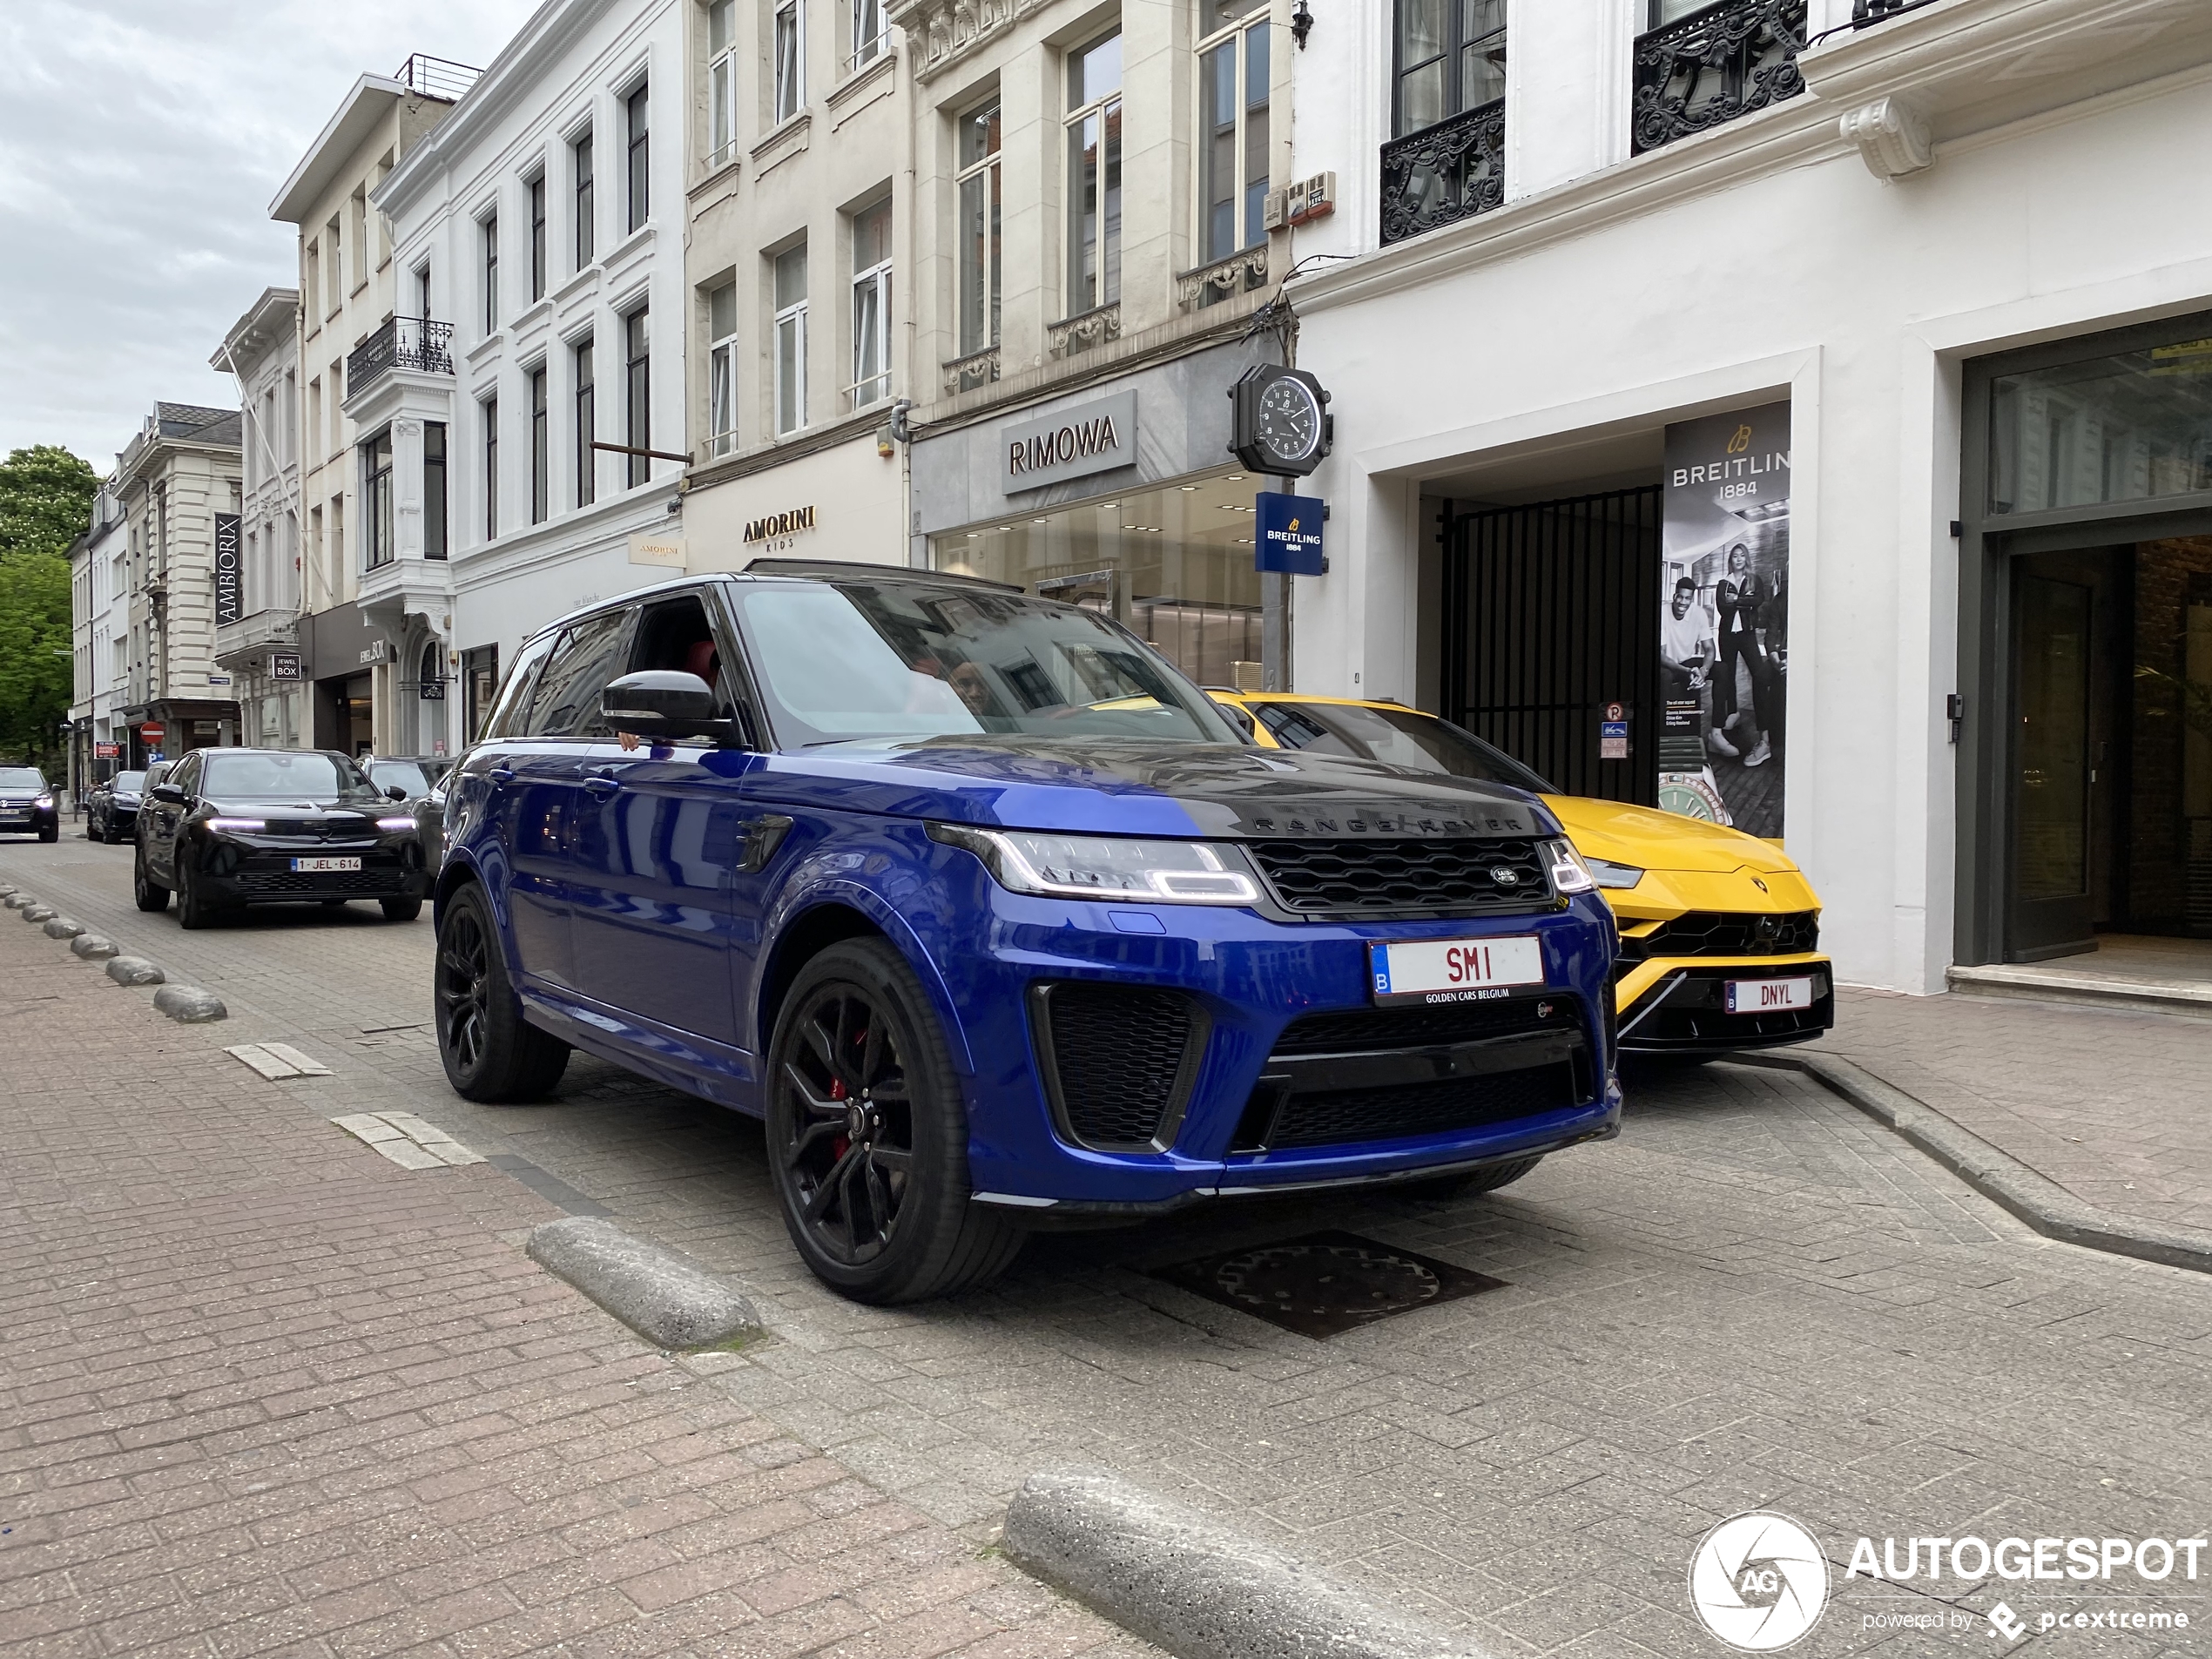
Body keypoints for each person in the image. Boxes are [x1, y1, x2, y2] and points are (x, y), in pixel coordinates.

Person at [1711, 543, 1768, 765]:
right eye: (1735, 556)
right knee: (1728, 675)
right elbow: (1722, 608)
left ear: (1746, 558)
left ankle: (1764, 728)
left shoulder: (1753, 579)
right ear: (1730, 560)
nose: (1738, 559)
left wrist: (1737, 601)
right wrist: (1744, 602)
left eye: (1741, 555)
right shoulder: (1723, 583)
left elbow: (1759, 600)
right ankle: (1732, 713)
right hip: (1727, 635)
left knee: (1759, 674)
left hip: (1747, 634)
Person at [1660, 576, 1720, 754]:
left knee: (1722, 670)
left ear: (1692, 599)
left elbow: (1709, 649)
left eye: (1687, 598)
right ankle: (1664, 737)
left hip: (1687, 662)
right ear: (1674, 596)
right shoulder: (1662, 612)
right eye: (1680, 597)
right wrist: (1688, 671)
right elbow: (1661, 655)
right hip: (1666, 664)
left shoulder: (1698, 613)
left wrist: (1703, 671)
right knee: (1665, 676)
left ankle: (1717, 733)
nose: (1682, 602)